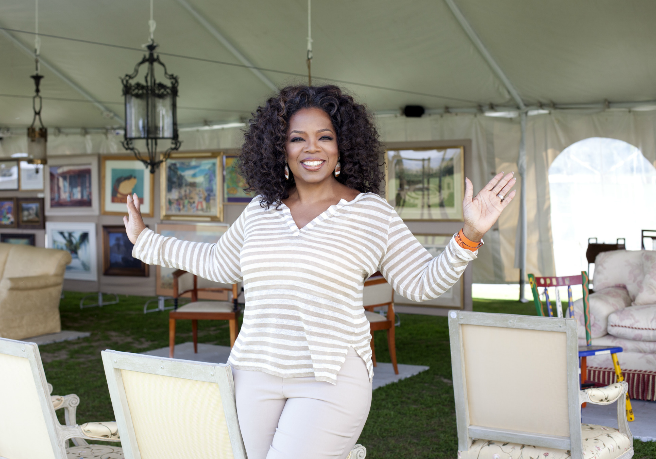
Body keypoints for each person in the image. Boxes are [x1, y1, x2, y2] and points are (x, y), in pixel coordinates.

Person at [124, 85, 515, 459]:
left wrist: (470, 234)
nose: (312, 148)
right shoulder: (260, 211)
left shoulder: (371, 213)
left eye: (324, 137)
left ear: (342, 146)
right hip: (252, 372)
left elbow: (421, 282)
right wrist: (145, 240)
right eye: (297, 138)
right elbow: (217, 262)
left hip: (330, 377)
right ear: (280, 148)